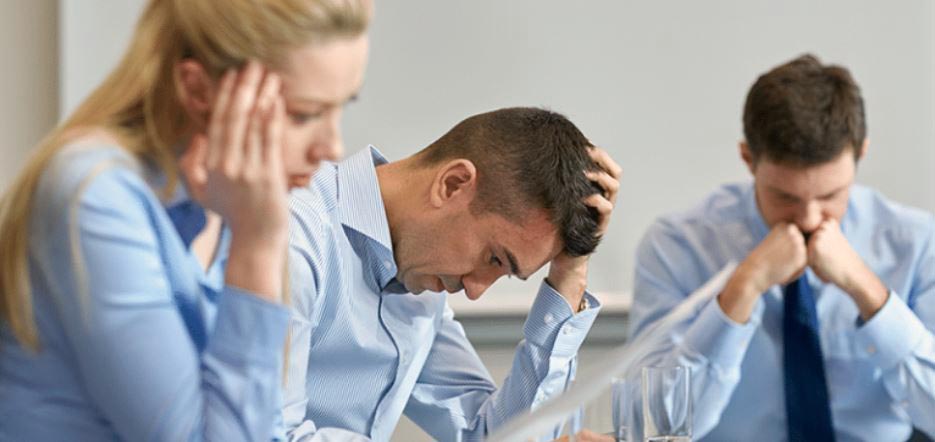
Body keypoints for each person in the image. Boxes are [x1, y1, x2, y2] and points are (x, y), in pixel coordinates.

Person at [0, 0, 370, 439]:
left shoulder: (234, 201)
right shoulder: (95, 195)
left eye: (340, 107)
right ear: (198, 91)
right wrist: (259, 246)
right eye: (304, 114)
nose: (332, 147)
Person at [629, 54, 935, 441]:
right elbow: (653, 427)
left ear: (861, 155)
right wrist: (742, 290)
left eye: (830, 195)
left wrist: (867, 291)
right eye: (784, 196)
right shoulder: (676, 245)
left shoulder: (917, 242)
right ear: (748, 159)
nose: (809, 218)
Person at [281, 107, 622, 440]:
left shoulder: (420, 283)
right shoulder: (293, 232)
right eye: (494, 259)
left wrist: (570, 271)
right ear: (453, 184)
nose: (475, 291)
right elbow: (269, 435)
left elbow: (498, 436)